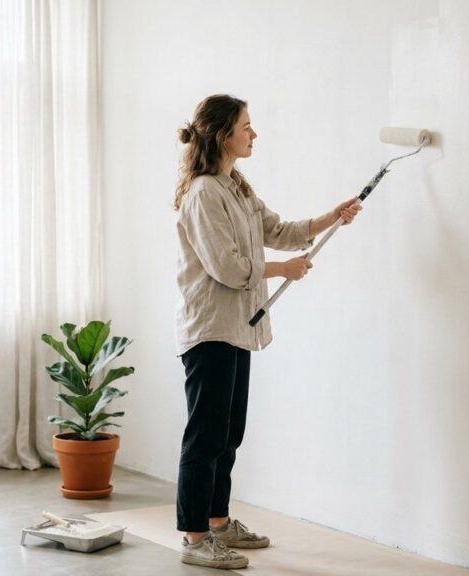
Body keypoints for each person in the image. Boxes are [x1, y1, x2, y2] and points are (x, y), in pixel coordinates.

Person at [173, 94, 361, 570]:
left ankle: (217, 522)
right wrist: (282, 270)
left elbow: (276, 228)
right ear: (222, 134)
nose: (254, 134)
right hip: (211, 328)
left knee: (228, 434)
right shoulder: (203, 194)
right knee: (206, 437)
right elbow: (228, 268)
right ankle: (195, 539)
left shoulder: (236, 186)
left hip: (239, 328)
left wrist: (330, 217)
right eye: (246, 126)